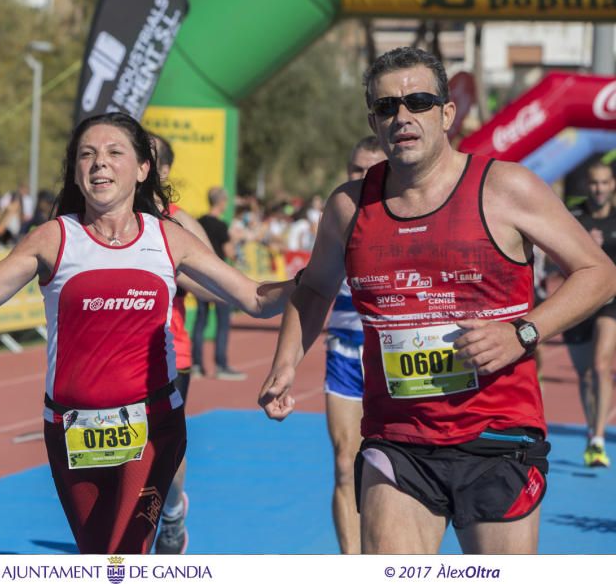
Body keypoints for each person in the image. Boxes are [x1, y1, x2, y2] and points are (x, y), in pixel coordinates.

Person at [258, 46, 616, 554]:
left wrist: (523, 332)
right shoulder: (349, 205)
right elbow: (314, 286)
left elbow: (599, 272)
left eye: (419, 102)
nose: (402, 116)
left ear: (447, 113)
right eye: (387, 107)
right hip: (398, 437)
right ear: (373, 122)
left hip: (498, 437)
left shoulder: (506, 188)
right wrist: (285, 362)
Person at [0, 112, 293, 554]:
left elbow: (256, 298)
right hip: (71, 430)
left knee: (123, 559)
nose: (100, 163)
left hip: (153, 426)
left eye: (115, 153)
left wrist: (321, 274)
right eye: (87, 155)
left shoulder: (169, 239)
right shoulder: (52, 239)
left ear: (142, 169)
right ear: (76, 172)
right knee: (99, 561)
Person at [150, 133, 218, 554]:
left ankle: (172, 511)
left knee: (163, 450)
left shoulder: (179, 222)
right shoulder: (96, 219)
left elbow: (213, 285)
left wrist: (166, 269)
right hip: (108, 358)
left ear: (162, 171)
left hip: (169, 353)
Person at [323, 135, 385, 554]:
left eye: (371, 170)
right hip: (345, 350)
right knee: (347, 464)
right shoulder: (338, 217)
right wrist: (285, 361)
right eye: (355, 170)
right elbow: (311, 289)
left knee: (388, 470)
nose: (362, 179)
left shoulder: (414, 215)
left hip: (395, 354)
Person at [562, 160, 616, 467]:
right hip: (580, 299)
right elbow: (558, 260)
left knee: (600, 365)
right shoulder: (575, 218)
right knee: (584, 376)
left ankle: (597, 439)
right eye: (594, 183)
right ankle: (590, 428)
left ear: (612, 186)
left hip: (611, 299)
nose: (599, 188)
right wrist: (583, 249)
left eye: (605, 183)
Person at [192, 187, 246, 380]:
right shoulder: (222, 226)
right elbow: (230, 253)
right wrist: (236, 240)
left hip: (200, 277)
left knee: (201, 321)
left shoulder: (198, 222)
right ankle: (221, 365)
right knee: (223, 322)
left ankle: (196, 365)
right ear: (221, 202)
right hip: (220, 280)